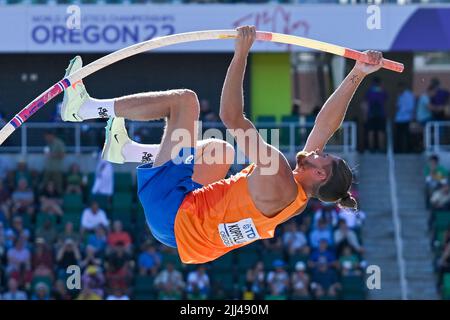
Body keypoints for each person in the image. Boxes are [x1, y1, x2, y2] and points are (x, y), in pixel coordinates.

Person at [60, 26, 383, 264]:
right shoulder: (298, 192)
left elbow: (232, 117)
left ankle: (84, 109)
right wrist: (358, 73)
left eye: (322, 156)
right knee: (220, 151)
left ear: (320, 175)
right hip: (188, 235)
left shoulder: (278, 175)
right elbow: (324, 125)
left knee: (184, 102)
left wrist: (241, 52)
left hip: (173, 213)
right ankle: (127, 151)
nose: (316, 150)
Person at [363, 77, 388, 153]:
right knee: (381, 131)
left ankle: (371, 149)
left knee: (371, 131)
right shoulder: (383, 91)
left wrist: (365, 115)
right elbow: (386, 101)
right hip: (381, 114)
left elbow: (365, 104)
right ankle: (381, 148)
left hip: (371, 114)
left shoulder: (369, 91)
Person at [394, 82, 415, 153]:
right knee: (398, 135)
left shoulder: (409, 95)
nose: (399, 89)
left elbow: (411, 107)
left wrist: (401, 108)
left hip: (407, 118)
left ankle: (408, 149)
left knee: (407, 135)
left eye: (400, 88)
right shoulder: (399, 95)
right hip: (399, 119)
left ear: (403, 87)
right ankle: (399, 150)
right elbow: (397, 106)